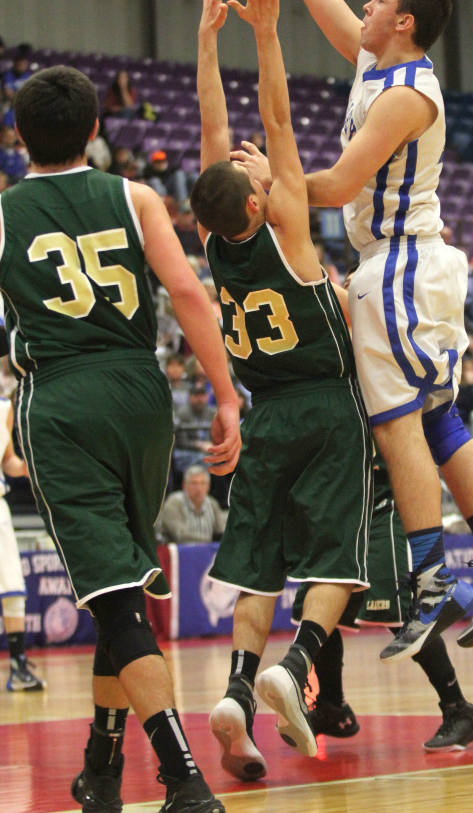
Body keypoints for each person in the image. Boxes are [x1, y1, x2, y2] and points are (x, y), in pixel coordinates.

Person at [264, 0, 473, 661]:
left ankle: (432, 575)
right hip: (409, 265)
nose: (367, 1)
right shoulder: (373, 60)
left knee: (397, 429)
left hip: (399, 265)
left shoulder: (407, 93)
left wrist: (267, 186)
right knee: (437, 415)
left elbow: (340, 180)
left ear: (405, 22)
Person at [2, 65, 241, 813]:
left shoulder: (5, 214)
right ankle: (101, 769)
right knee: (122, 593)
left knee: (114, 598)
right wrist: (228, 396)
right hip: (144, 392)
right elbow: (191, 295)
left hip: (64, 396)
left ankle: (183, 777)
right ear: (97, 132)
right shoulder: (136, 196)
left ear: (17, 138)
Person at [190, 0, 372, 779]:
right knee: (337, 558)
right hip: (324, 405)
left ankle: (234, 691)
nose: (251, 155)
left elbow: (211, 132)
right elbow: (278, 114)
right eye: (249, 167)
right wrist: (263, 34)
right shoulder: (289, 225)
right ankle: (293, 671)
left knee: (259, 559)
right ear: (257, 203)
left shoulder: (211, 243)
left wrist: (205, 43)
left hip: (263, 414)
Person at [292, 454, 473, 753]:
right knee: (317, 611)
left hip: (382, 504)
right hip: (339, 507)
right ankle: (332, 707)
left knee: (404, 618)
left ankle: (459, 709)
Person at [0, 391, 45, 691]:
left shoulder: (5, 407)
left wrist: (30, 464)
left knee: (12, 585)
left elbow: (9, 461)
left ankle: (18, 664)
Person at [156, 465, 227, 544]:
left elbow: (221, 531)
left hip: (207, 552)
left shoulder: (212, 503)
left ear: (208, 486)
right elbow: (180, 535)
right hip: (179, 552)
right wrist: (210, 540)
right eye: (194, 483)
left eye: (202, 483)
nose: (198, 488)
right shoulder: (174, 504)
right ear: (184, 485)